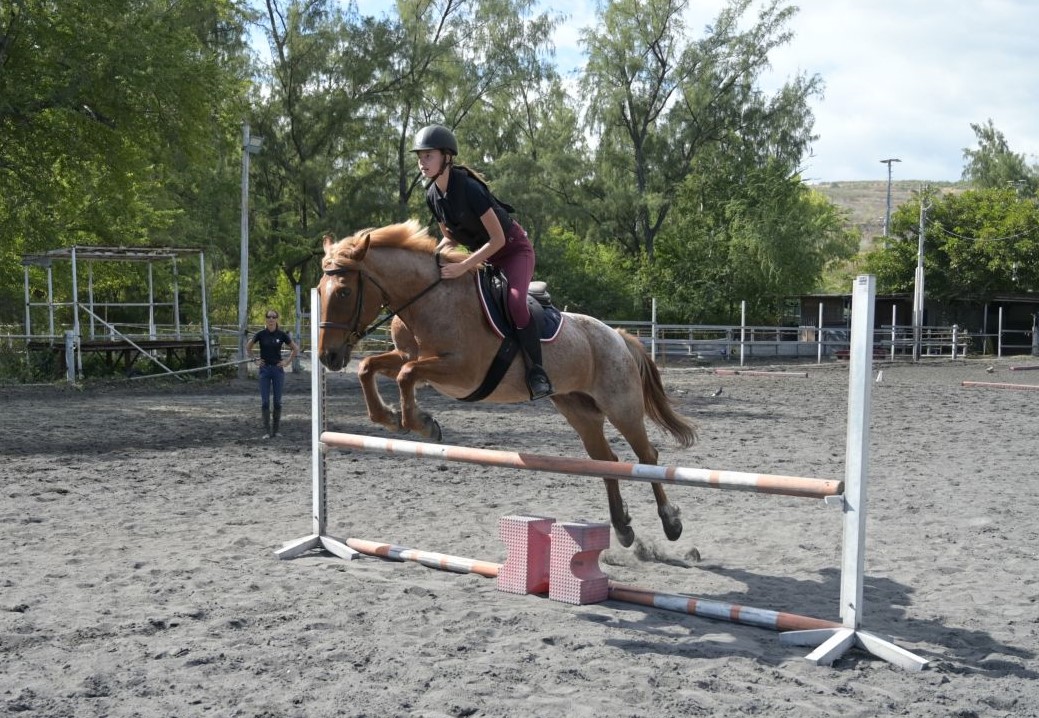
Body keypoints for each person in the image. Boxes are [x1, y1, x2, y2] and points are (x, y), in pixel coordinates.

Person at [411, 123, 553, 400]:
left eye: (428, 156)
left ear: (446, 157)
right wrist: (431, 260)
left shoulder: (470, 189)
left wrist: (463, 266)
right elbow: (450, 238)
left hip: (513, 251)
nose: (422, 162)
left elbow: (498, 239)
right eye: (420, 156)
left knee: (514, 302)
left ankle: (537, 372)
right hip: (485, 258)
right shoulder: (432, 196)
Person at [245, 309, 300, 438]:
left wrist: (287, 362)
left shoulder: (281, 335)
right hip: (264, 370)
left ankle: (275, 431)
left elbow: (295, 348)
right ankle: (266, 431)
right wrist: (255, 359)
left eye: (273, 317)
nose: (271, 319)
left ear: (277, 319)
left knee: (277, 401)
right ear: (266, 319)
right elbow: (248, 347)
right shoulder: (260, 334)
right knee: (265, 402)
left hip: (277, 370)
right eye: (269, 317)